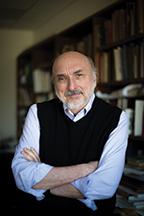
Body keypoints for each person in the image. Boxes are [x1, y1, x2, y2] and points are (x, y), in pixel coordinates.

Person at [11, 51, 128, 215]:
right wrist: (87, 168)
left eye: (78, 75)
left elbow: (104, 187)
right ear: (54, 84)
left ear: (94, 79)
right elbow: (22, 177)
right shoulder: (37, 112)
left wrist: (45, 183)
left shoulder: (116, 118)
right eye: (62, 78)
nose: (71, 87)